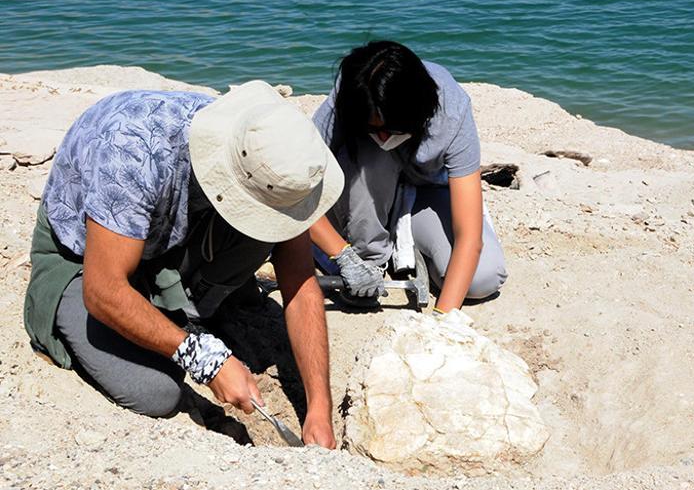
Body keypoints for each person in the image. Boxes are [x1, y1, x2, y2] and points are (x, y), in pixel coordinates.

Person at [23, 81, 343, 448]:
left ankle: (178, 312)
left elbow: (301, 285)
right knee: (156, 392)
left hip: (168, 241)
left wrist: (320, 407)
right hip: (83, 260)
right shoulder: (132, 152)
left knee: (269, 232)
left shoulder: (266, 159)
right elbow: (103, 289)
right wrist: (203, 359)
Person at [310, 40, 508, 311]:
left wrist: (444, 319)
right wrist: (343, 255)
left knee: (481, 279)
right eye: (373, 127)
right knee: (372, 154)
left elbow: (469, 236)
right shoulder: (353, 95)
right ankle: (368, 258)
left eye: (390, 130)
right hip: (361, 189)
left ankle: (405, 247)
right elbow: (296, 191)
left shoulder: (451, 110)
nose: (382, 136)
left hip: (423, 196)